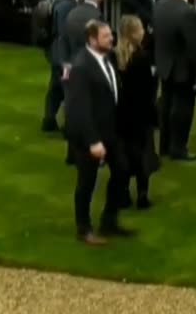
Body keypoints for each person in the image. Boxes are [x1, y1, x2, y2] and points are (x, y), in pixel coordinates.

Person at [64, 19, 132, 245]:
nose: (111, 39)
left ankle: (109, 222)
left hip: (111, 132)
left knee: (122, 172)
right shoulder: (82, 66)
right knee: (86, 183)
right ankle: (83, 229)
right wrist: (93, 141)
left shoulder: (108, 59)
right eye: (105, 37)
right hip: (90, 136)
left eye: (110, 35)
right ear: (92, 40)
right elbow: (78, 108)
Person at [154, 0, 196, 161]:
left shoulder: (160, 4)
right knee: (183, 109)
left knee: (167, 104)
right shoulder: (187, 12)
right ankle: (178, 148)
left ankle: (165, 145)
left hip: (165, 65)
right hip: (183, 69)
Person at [114, 15, 157, 210]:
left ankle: (122, 195)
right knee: (142, 156)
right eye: (140, 30)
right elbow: (149, 89)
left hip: (121, 116)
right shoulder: (142, 58)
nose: (143, 33)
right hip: (140, 115)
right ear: (133, 34)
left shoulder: (114, 57)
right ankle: (142, 194)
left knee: (123, 157)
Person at [45, 0, 88, 133]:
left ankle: (49, 120)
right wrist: (67, 60)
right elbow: (64, 32)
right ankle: (66, 125)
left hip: (59, 52)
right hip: (63, 53)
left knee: (56, 87)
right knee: (67, 89)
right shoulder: (65, 3)